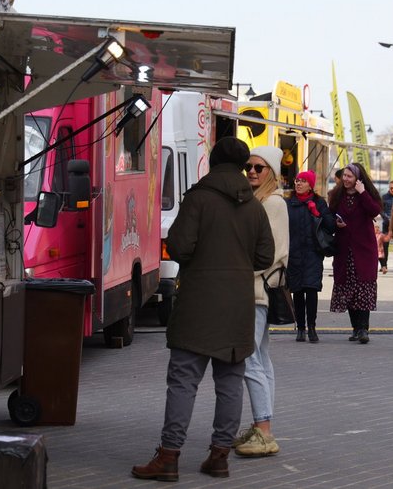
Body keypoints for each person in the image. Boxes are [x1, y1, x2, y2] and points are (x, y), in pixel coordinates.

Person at [133, 137, 274, 482]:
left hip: (198, 303)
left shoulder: (199, 198)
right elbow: (264, 257)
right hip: (238, 306)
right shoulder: (254, 206)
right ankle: (219, 456)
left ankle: (169, 456)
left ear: (212, 161)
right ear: (242, 166)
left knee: (183, 381)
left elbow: (179, 246)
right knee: (230, 383)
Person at [234, 146, 289, 458]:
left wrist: (236, 273)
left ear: (272, 172)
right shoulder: (259, 201)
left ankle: (264, 430)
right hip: (254, 290)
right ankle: (263, 426)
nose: (252, 172)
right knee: (261, 358)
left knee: (249, 359)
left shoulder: (273, 203)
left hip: (256, 290)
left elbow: (273, 254)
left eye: (259, 167)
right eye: (249, 167)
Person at [329, 163, 383, 344]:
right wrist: (335, 223)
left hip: (364, 250)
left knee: (363, 289)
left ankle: (363, 329)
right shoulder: (337, 195)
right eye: (344, 175)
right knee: (348, 290)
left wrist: (363, 193)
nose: (345, 179)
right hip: (344, 250)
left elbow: (375, 211)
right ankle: (355, 328)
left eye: (349, 176)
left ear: (358, 179)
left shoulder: (366, 194)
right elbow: (328, 216)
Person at [286, 170, 336, 342]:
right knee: (297, 292)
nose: (298, 184)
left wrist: (317, 214)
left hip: (313, 253)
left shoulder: (319, 203)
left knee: (311, 290)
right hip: (294, 254)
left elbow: (331, 226)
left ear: (310, 185)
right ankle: (300, 328)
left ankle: (312, 327)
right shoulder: (288, 203)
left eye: (303, 181)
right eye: (297, 180)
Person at [380, 181, 393, 273]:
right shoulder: (384, 197)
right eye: (391, 188)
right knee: (384, 246)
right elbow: (380, 210)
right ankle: (384, 266)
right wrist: (386, 218)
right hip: (386, 225)